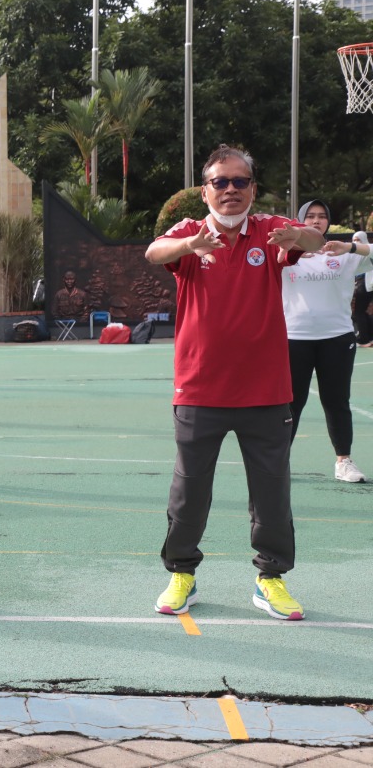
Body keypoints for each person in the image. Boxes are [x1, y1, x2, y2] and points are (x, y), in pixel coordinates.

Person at [145, 144, 324, 622]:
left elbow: (312, 243)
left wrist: (300, 236)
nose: (229, 190)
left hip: (266, 390)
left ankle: (271, 580)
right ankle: (182, 573)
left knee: (271, 491)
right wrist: (190, 246)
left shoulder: (269, 230)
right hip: (199, 388)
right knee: (190, 489)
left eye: (239, 181)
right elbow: (153, 251)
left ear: (252, 188)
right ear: (205, 190)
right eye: (220, 182)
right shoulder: (191, 231)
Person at [282, 200, 372, 483]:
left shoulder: (342, 252)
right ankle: (278, 461)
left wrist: (351, 247)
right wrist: (291, 250)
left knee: (336, 401)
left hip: (337, 338)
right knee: (290, 403)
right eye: (310, 216)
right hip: (293, 338)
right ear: (299, 221)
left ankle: (343, 461)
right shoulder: (285, 255)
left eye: (322, 216)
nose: (316, 221)